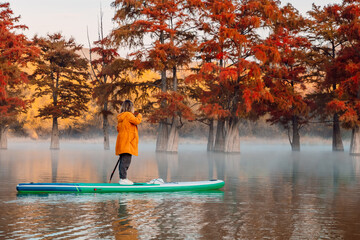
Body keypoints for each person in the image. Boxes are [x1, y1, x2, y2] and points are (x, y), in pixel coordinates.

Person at [115, 100, 142, 185]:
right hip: (127, 142)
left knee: (123, 161)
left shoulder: (121, 117)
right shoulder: (128, 115)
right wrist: (139, 115)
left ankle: (122, 178)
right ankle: (123, 179)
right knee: (126, 161)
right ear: (131, 107)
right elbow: (137, 121)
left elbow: (118, 129)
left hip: (121, 142)